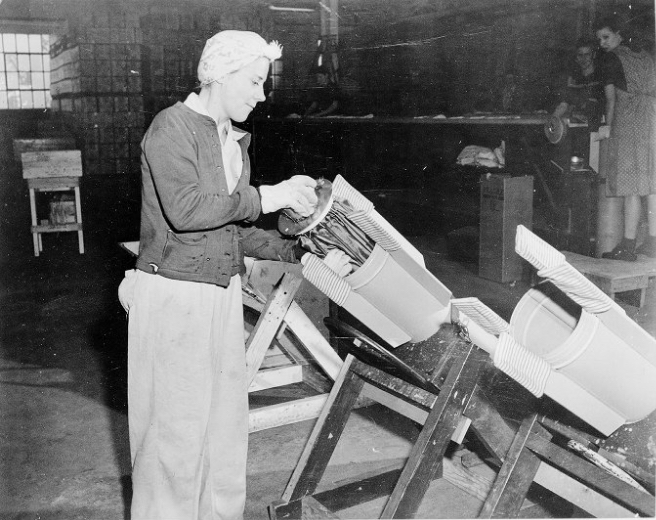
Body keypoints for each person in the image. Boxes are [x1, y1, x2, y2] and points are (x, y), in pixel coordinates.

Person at [117, 30, 321, 520]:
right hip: (175, 299)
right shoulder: (172, 127)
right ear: (221, 74)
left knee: (222, 433)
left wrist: (297, 249)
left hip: (221, 295)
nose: (261, 95)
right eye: (254, 81)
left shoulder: (233, 141)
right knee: (173, 440)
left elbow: (232, 228)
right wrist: (270, 197)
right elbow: (187, 211)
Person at [594, 16, 656, 261]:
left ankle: (628, 245)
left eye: (606, 37)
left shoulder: (610, 59)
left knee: (631, 186)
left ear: (619, 34)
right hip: (652, 121)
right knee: (651, 185)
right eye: (599, 39)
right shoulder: (648, 57)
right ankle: (652, 242)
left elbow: (611, 100)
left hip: (629, 121)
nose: (602, 43)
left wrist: (607, 128)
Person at [552, 39, 604, 130]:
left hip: (598, 129)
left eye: (587, 54)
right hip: (577, 128)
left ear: (593, 55)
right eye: (580, 55)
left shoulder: (601, 76)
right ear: (576, 58)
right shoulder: (573, 78)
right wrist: (553, 119)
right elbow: (564, 104)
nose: (583, 59)